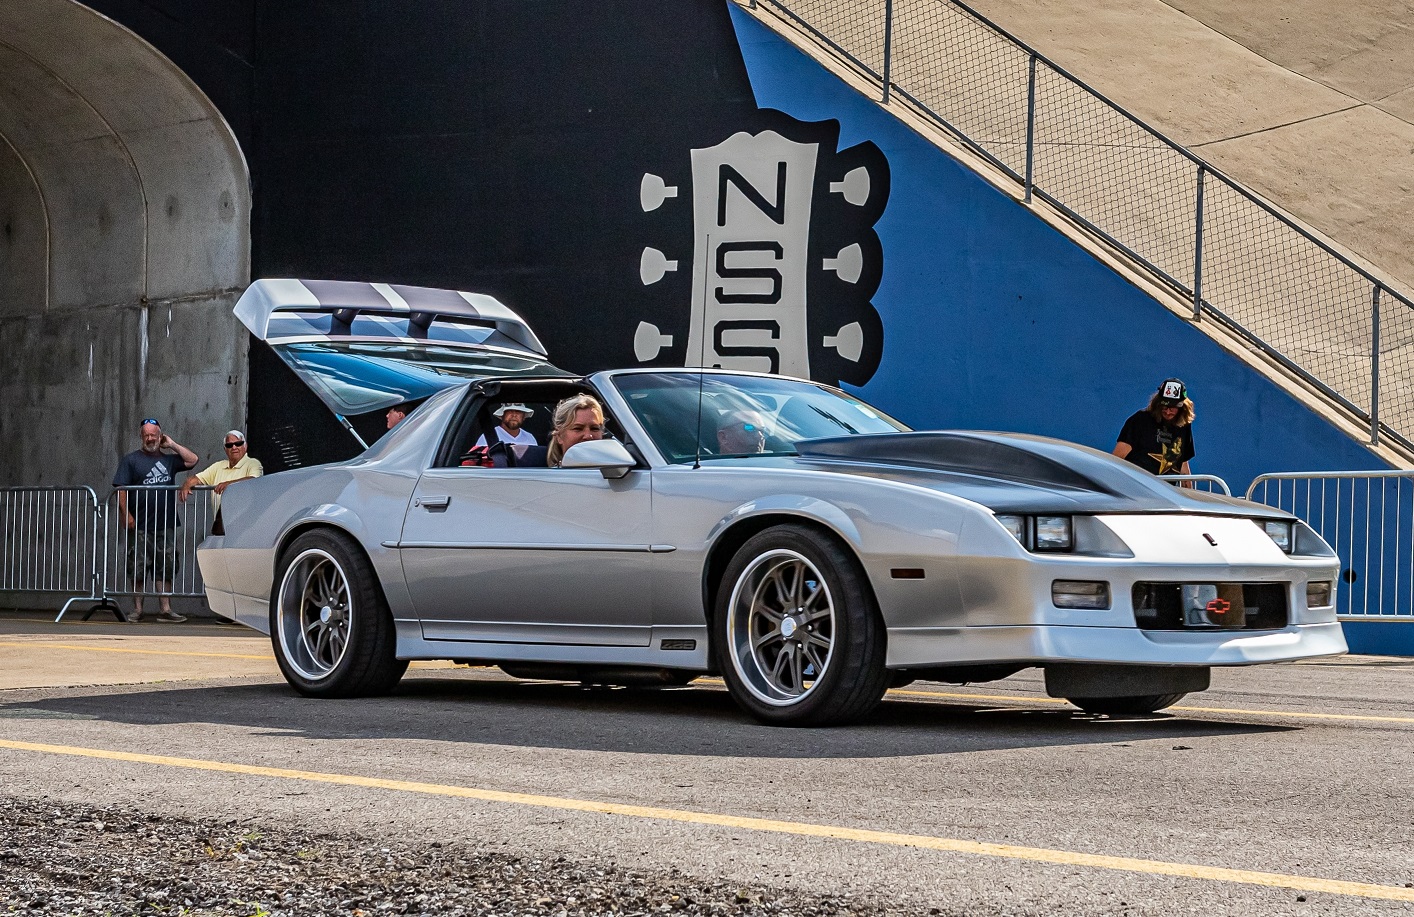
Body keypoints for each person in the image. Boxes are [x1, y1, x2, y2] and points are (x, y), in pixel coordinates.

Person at [112, 418, 199, 623]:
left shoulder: (169, 460)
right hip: (139, 524)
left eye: (154, 434)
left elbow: (192, 460)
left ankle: (165, 609)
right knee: (138, 567)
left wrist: (173, 445)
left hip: (165, 524)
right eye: (146, 435)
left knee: (166, 567)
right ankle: (137, 610)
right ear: (141, 437)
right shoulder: (131, 460)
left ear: (160, 436)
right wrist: (126, 514)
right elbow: (121, 489)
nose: (150, 438)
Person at [1113, 378, 1196, 482]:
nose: (1168, 411)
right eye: (1164, 406)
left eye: (1173, 408)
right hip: (1136, 487)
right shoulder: (1140, 420)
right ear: (1157, 403)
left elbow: (1183, 465)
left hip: (1166, 493)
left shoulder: (1184, 426)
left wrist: (1187, 495)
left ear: (1183, 407)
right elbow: (1117, 458)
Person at [179, 430, 264, 516]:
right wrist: (187, 484)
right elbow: (197, 478)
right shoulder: (218, 466)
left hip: (246, 520)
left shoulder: (253, 463)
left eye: (238, 443)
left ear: (245, 446)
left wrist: (229, 484)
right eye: (229, 445)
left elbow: (255, 480)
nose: (234, 447)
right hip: (221, 522)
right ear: (225, 449)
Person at [519, 394, 606, 468]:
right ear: (559, 436)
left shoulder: (615, 473)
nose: (588, 436)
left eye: (594, 428)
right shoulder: (549, 479)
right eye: (578, 428)